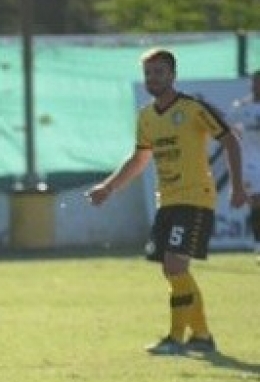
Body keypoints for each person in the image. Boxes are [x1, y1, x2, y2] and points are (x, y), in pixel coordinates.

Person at [86, 48, 246, 355]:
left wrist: (237, 187)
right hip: (168, 201)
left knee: (174, 265)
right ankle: (201, 335)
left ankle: (176, 338)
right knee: (172, 269)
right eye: (148, 73)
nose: (153, 78)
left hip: (195, 198)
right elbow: (140, 158)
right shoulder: (146, 116)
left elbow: (230, 140)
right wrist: (108, 188)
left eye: (159, 72)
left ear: (173, 74)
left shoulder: (193, 108)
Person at [226, 70, 260, 263]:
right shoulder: (241, 107)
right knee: (256, 200)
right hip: (250, 164)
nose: (256, 86)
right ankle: (258, 245)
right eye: (254, 83)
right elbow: (227, 130)